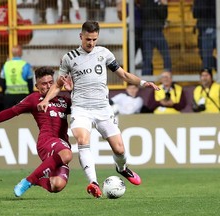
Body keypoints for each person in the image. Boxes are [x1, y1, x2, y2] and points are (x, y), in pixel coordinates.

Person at [37, 20, 160, 198]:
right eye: (88, 39)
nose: (91, 43)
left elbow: (123, 74)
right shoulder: (69, 58)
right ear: (81, 36)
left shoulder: (104, 54)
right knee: (82, 139)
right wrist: (47, 99)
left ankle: (122, 168)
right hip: (81, 109)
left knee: (119, 149)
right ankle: (93, 182)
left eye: (94, 39)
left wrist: (143, 83)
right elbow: (58, 85)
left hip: (103, 109)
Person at [0, 67, 73, 197]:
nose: (48, 86)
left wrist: (72, 91)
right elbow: (10, 112)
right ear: (37, 86)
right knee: (67, 154)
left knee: (56, 185)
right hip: (47, 141)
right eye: (44, 84)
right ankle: (28, 181)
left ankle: (38, 180)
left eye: (51, 82)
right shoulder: (34, 99)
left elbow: (85, 108)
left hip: (62, 143)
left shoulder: (64, 100)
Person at [140, 0, 171, 75]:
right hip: (156, 32)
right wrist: (164, 5)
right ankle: (168, 75)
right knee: (166, 55)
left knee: (147, 58)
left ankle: (145, 79)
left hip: (146, 32)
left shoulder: (144, 3)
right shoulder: (156, 3)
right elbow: (163, 15)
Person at [192, 0, 216, 70]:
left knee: (206, 57)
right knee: (203, 54)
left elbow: (197, 12)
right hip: (203, 28)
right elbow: (195, 13)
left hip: (209, 27)